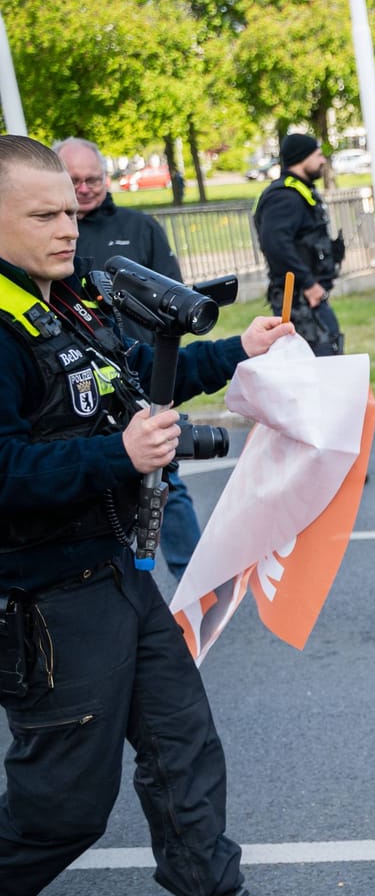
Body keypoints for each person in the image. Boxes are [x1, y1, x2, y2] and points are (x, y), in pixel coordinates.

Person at [0, 134, 310, 896]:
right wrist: (118, 454)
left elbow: (136, 371)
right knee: (62, 806)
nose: (69, 227)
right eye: (44, 214)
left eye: (71, 208)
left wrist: (237, 350)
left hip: (121, 576)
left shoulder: (64, 300)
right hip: (48, 598)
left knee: (183, 746)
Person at [55, 137, 204, 580]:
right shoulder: (44, 249)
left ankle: (195, 581)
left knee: (166, 483)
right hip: (77, 391)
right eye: (74, 181)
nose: (84, 189)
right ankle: (123, 583)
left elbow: (176, 296)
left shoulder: (140, 227)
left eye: (93, 179)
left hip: (139, 379)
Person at [253, 133, 344, 356]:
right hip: (298, 302)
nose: (323, 161)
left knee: (330, 352)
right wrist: (309, 284)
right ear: (302, 157)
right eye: (318, 155)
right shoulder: (284, 197)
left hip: (306, 299)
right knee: (319, 362)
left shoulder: (299, 191)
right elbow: (276, 245)